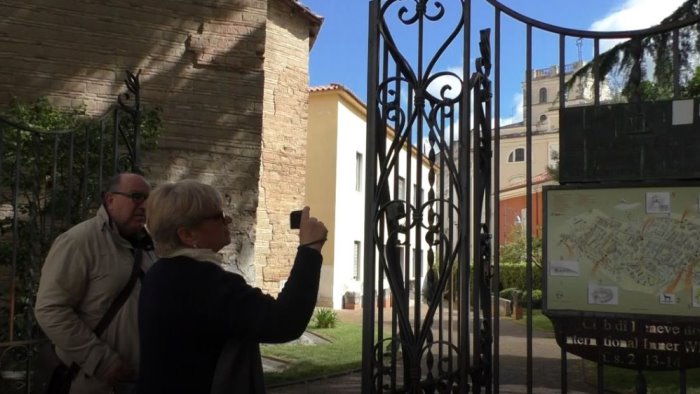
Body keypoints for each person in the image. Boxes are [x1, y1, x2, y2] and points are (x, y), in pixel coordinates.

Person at [135, 180, 328, 394]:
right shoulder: (204, 282)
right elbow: (284, 321)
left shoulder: (159, 273)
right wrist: (310, 249)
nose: (228, 219)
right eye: (217, 217)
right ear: (187, 235)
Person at [34, 172, 156, 394]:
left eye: (149, 199)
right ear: (110, 199)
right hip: (91, 381)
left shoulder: (149, 246)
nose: (145, 206)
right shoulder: (78, 241)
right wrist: (101, 359)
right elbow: (50, 309)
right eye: (137, 197)